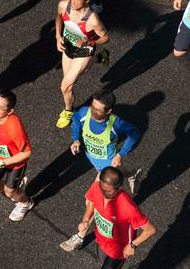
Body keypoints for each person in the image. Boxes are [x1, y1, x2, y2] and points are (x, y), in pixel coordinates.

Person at [60, 90, 140, 251]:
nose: (94, 112)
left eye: (98, 110)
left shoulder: (116, 123)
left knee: (92, 200)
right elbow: (75, 119)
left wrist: (121, 153)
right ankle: (131, 175)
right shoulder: (84, 113)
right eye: (93, 107)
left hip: (107, 167)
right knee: (116, 173)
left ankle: (79, 237)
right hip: (94, 161)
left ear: (109, 110)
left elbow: (134, 133)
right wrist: (76, 139)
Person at [68, 167, 156, 269]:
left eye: (108, 191)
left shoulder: (128, 207)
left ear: (119, 188)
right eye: (102, 190)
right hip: (101, 239)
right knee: (102, 261)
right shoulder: (98, 187)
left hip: (119, 248)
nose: (104, 194)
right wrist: (86, 219)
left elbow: (150, 230)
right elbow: (92, 200)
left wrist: (132, 245)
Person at [0, 89, 34, 221]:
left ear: (9, 111)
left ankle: (26, 202)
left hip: (15, 163)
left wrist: (1, 163)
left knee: (10, 193)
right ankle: (14, 185)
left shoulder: (14, 127)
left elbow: (27, 153)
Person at [55, 0, 109, 128]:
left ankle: (68, 110)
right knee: (70, 83)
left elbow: (105, 37)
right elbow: (58, 16)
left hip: (84, 50)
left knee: (65, 86)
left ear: (87, 1)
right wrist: (57, 36)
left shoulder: (92, 20)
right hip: (68, 47)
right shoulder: (64, 5)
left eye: (77, 0)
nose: (73, 1)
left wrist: (90, 43)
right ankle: (101, 58)